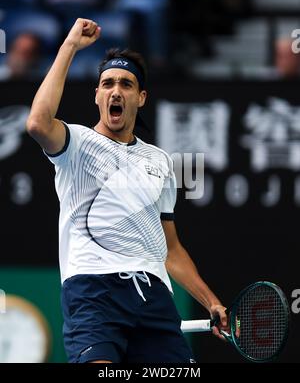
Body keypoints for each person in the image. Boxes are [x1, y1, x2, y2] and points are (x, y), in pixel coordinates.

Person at [26, 18, 228, 363]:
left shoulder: (160, 161)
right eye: (107, 84)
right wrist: (70, 46)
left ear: (141, 97)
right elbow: (37, 123)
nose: (115, 90)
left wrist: (210, 300)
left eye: (126, 84)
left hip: (153, 295)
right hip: (93, 290)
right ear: (97, 96)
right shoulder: (77, 144)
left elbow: (171, 249)